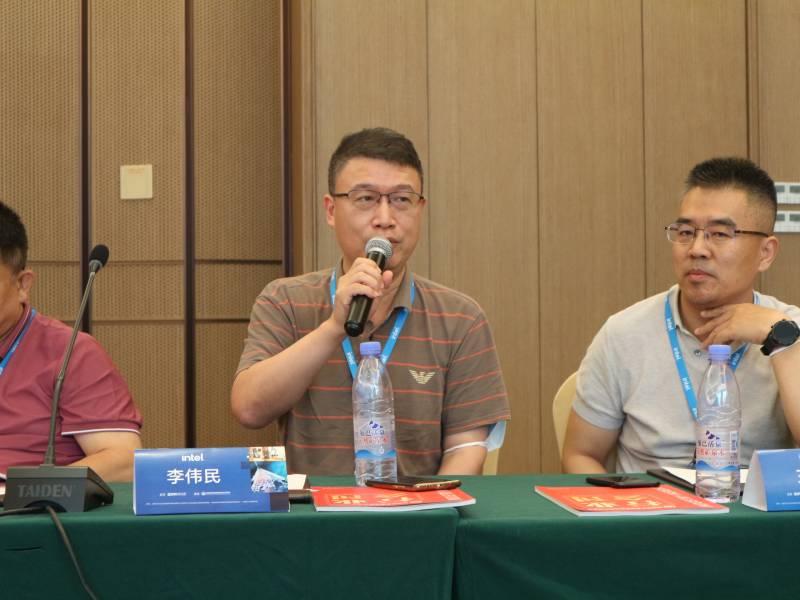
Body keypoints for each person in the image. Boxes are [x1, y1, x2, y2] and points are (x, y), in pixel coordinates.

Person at [232, 127, 510, 475]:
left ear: (420, 209)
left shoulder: (460, 319)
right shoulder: (285, 301)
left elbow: (465, 449)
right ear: (331, 210)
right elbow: (249, 410)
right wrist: (334, 328)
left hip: (417, 506)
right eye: (366, 199)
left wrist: (428, 505)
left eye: (401, 200)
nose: (385, 219)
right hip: (312, 508)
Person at [563, 157, 800, 474]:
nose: (697, 249)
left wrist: (779, 339)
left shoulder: (791, 329)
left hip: (755, 504)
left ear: (765, 253)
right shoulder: (624, 333)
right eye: (686, 232)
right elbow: (580, 455)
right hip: (650, 502)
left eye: (719, 234)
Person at [0, 201, 142, 480]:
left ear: (22, 284)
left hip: (27, 504)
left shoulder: (70, 353)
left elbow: (124, 460)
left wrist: (27, 490)